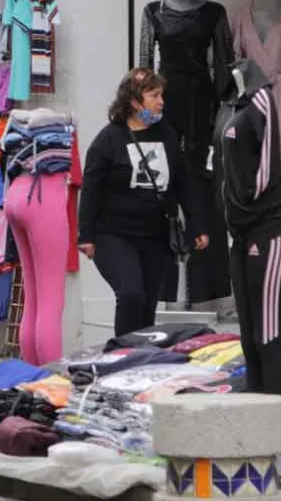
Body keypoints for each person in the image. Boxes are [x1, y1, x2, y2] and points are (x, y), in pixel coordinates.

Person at [78, 68, 208, 338]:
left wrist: (198, 225)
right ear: (135, 102)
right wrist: (86, 235)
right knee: (130, 294)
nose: (161, 101)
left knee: (147, 304)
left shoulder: (167, 135)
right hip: (113, 234)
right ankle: (122, 357)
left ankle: (141, 364)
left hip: (155, 236)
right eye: (153, 95)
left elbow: (184, 183)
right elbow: (91, 188)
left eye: (162, 95)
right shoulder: (108, 140)